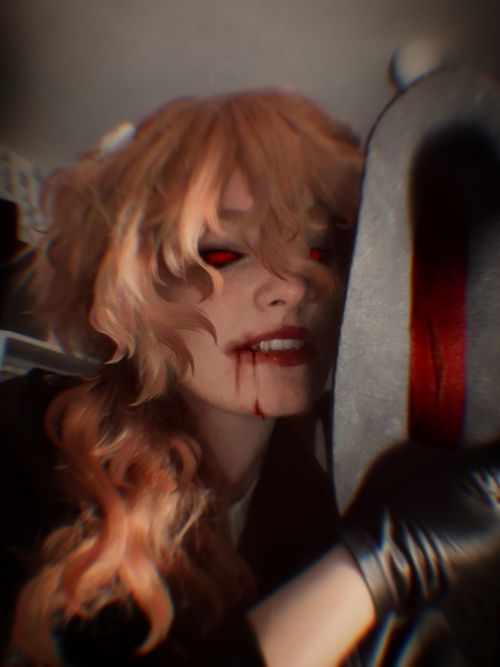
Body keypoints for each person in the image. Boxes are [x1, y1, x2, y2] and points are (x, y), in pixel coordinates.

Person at [1, 89, 499, 667]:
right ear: (128, 291)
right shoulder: (20, 445)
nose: (293, 286)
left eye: (318, 250)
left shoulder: (320, 502)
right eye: (223, 253)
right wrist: (374, 570)